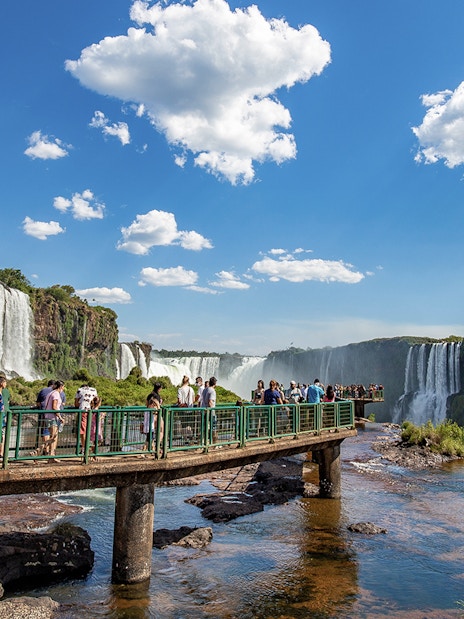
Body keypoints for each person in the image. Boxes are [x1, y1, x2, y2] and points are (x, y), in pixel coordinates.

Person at [43, 380, 65, 458]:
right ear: (61, 387)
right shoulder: (56, 394)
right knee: (54, 437)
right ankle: (51, 455)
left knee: (52, 436)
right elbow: (54, 407)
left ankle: (40, 449)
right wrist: (60, 417)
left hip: (47, 416)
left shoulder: (50, 393)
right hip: (53, 417)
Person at [75, 383, 98, 449]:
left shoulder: (80, 390)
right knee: (92, 429)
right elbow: (97, 400)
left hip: (83, 412)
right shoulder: (94, 390)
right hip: (92, 412)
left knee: (83, 430)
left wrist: (81, 402)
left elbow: (76, 404)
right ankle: (92, 448)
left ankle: (84, 448)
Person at [142, 384, 164, 454]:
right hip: (153, 416)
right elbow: (158, 407)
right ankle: (146, 451)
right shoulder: (156, 396)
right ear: (159, 388)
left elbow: (146, 404)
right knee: (154, 433)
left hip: (149, 416)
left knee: (150, 435)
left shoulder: (150, 395)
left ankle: (153, 449)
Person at [201, 377, 217, 442]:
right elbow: (210, 402)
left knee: (204, 427)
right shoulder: (212, 391)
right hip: (210, 411)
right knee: (213, 427)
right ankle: (214, 443)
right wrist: (212, 410)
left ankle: (203, 442)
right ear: (215, 383)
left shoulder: (205, 389)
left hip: (204, 410)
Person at [0, 376, 7, 458]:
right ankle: (1, 454)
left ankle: (1, 453)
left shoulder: (2, 393)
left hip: (2, 417)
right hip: (0, 417)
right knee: (2, 435)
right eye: (5, 382)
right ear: (1, 383)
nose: (6, 384)